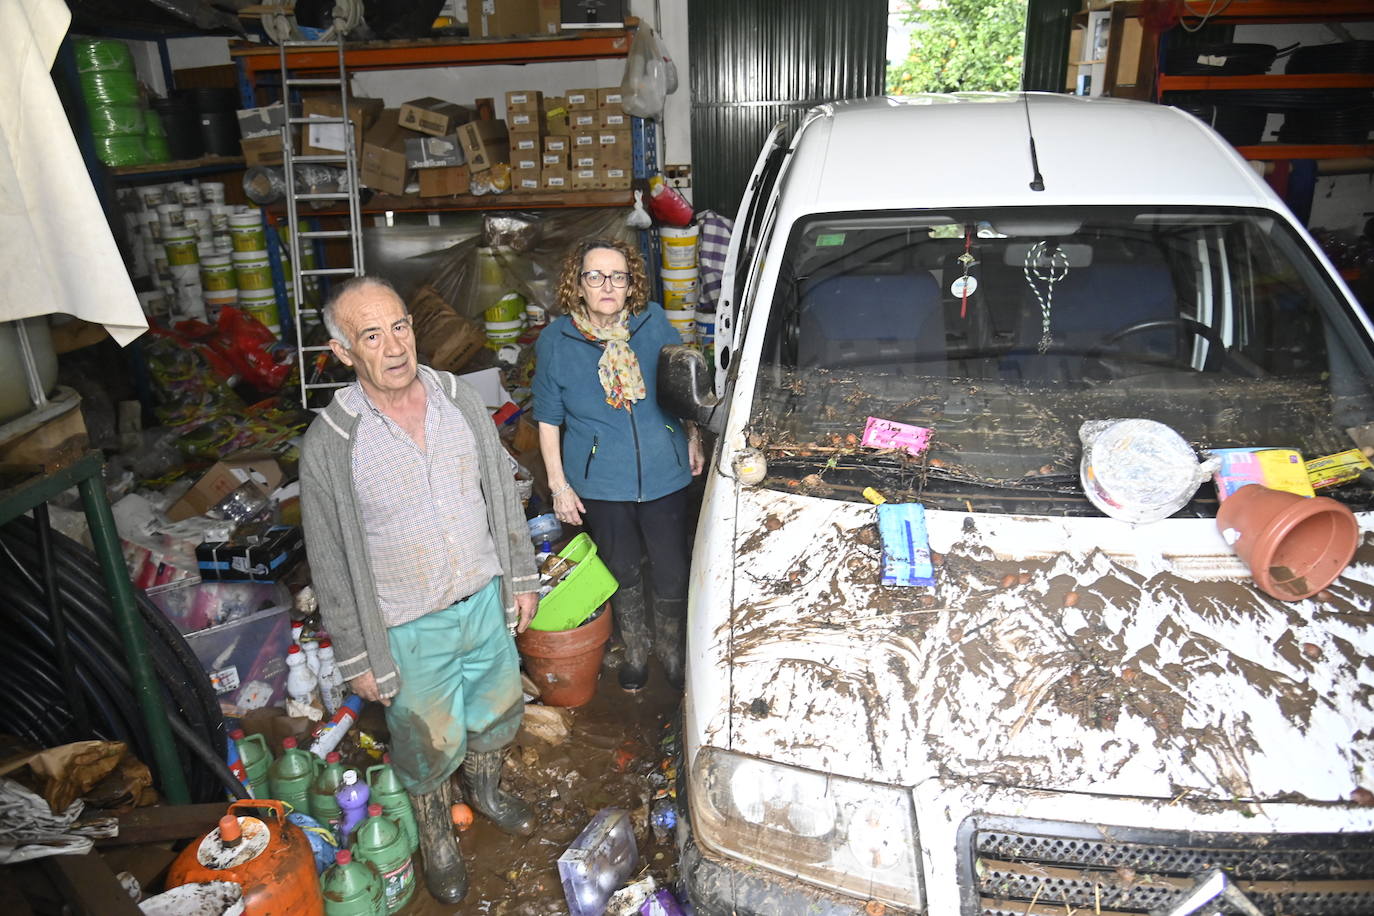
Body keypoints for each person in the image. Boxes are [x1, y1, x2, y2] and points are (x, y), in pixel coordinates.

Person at [300, 276, 539, 905]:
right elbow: (327, 563)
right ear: (344, 351)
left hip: (484, 601)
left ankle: (485, 793)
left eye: (399, 326)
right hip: (408, 627)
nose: (394, 346)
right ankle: (436, 842)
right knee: (425, 746)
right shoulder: (330, 443)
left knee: (496, 715)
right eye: (370, 335)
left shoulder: (460, 399)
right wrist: (358, 658)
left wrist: (520, 578)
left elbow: (502, 497)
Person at [532, 237, 704, 691]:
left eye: (618, 276)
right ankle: (636, 649)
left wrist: (691, 438)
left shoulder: (653, 324)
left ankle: (671, 651)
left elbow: (680, 388)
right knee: (622, 567)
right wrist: (559, 486)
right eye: (595, 276)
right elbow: (548, 419)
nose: (607, 285)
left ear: (631, 285)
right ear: (579, 284)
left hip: (664, 472)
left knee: (671, 567)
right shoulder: (556, 341)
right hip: (600, 481)